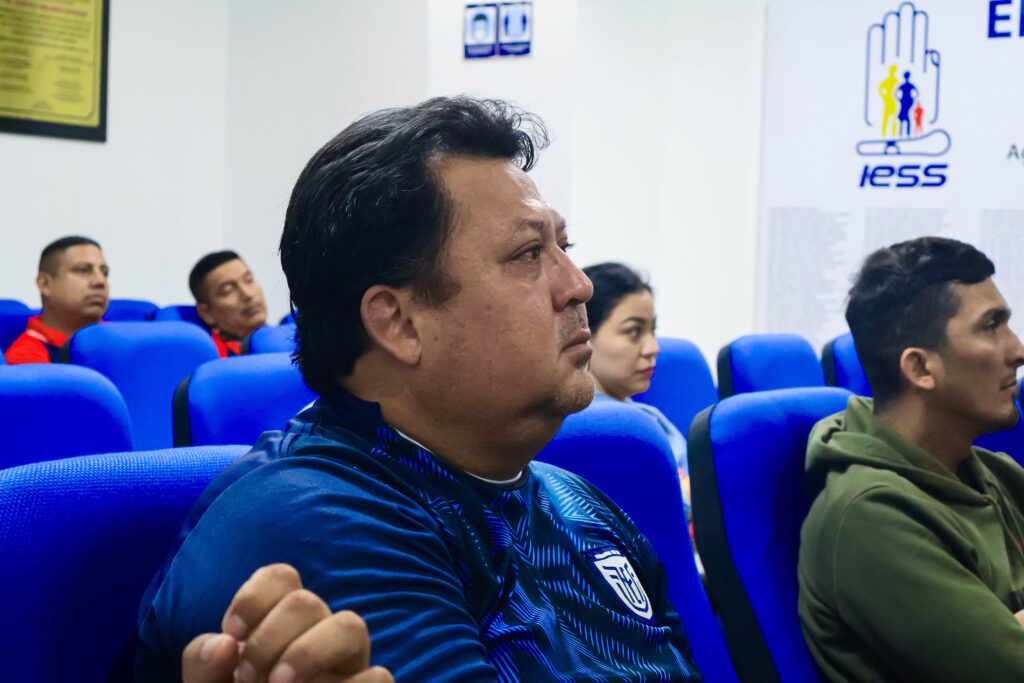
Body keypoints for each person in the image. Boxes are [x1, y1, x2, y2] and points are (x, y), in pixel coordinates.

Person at [138, 97, 702, 682]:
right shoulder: (317, 522)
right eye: (529, 254)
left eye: (565, 248)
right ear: (399, 323)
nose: (579, 285)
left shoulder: (581, 505)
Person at [798, 236, 1024, 681]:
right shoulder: (868, 517)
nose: (1017, 350)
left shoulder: (990, 472)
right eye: (991, 327)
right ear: (920, 368)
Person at [584, 262, 690, 509]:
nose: (653, 348)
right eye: (633, 331)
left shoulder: (647, 417)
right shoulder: (589, 430)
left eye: (653, 330)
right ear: (583, 334)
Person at [5, 235, 109, 364]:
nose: (100, 281)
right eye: (82, 270)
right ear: (45, 284)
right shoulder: (26, 360)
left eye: (104, 273)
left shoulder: (119, 338)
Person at [188, 251, 268, 357]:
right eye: (228, 290)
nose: (248, 294)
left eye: (249, 280)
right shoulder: (213, 361)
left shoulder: (287, 333)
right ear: (206, 313)